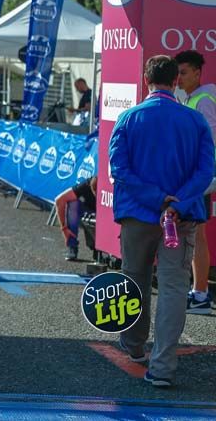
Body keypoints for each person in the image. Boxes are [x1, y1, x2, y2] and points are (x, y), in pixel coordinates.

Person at [109, 55, 214, 388]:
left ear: (145, 80)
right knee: (172, 289)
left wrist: (157, 199)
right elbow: (206, 170)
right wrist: (176, 202)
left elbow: (119, 170)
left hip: (138, 214)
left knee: (134, 280)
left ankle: (134, 345)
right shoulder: (195, 121)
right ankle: (163, 368)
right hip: (180, 218)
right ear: (174, 81)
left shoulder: (127, 118)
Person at [175, 50, 216, 314]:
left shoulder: (204, 100)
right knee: (192, 233)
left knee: (197, 234)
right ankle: (197, 291)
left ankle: (200, 294)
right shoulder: (191, 98)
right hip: (195, 176)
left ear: (198, 74)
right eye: (177, 72)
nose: (178, 78)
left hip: (200, 177)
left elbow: (209, 142)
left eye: (184, 72)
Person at [54, 175, 97, 261]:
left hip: (106, 214)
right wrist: (64, 228)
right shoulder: (86, 185)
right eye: (95, 192)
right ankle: (72, 245)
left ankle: (100, 249)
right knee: (73, 203)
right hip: (90, 212)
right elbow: (59, 200)